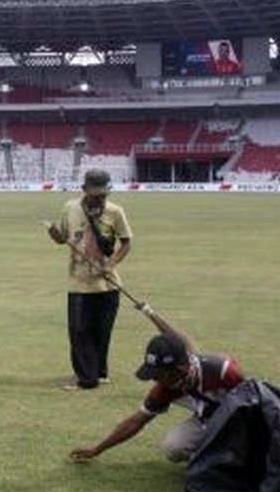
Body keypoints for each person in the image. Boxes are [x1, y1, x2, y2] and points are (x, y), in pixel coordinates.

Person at [69, 303, 244, 463]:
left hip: (240, 419)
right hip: (207, 418)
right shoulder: (166, 388)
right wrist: (97, 450)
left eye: (159, 374)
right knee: (173, 448)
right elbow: (135, 422)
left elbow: (255, 405)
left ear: (180, 369)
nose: (155, 380)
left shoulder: (224, 372)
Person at [46, 169, 133, 391]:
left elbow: (126, 244)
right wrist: (55, 234)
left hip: (108, 285)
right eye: (95, 194)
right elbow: (62, 239)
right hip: (79, 283)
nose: (100, 198)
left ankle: (100, 373)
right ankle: (86, 379)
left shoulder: (115, 212)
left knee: (102, 331)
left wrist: (111, 264)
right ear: (84, 190)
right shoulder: (70, 208)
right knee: (79, 332)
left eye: (103, 195)